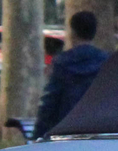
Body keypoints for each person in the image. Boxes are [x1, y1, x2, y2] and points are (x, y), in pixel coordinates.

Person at [34, 10, 110, 139]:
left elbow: (50, 100)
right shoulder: (106, 61)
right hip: (97, 128)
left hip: (67, 129)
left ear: (73, 32)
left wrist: (39, 133)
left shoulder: (62, 62)